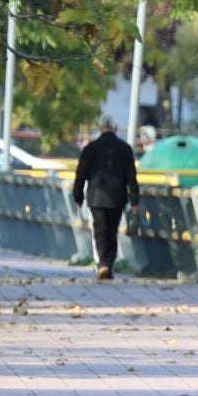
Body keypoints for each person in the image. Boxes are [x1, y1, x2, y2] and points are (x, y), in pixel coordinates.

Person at [72, 117, 139, 280]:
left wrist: (78, 196)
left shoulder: (90, 149)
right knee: (112, 230)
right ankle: (108, 262)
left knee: (100, 230)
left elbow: (80, 175)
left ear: (100, 128)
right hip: (117, 197)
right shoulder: (125, 149)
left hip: (96, 197)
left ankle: (103, 263)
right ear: (115, 128)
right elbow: (131, 177)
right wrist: (135, 199)